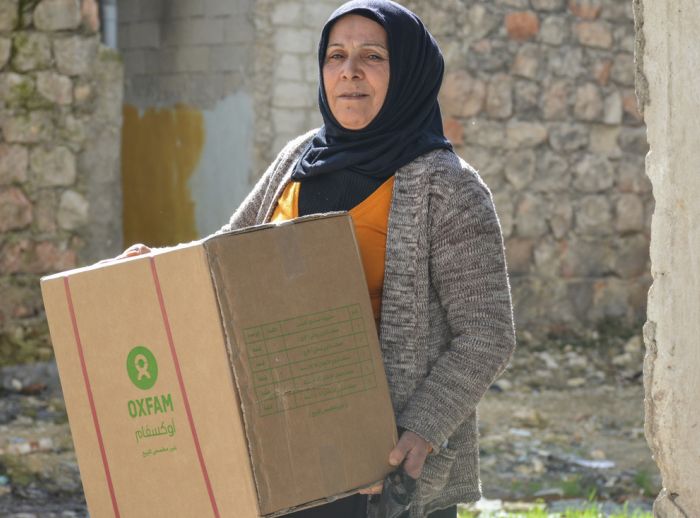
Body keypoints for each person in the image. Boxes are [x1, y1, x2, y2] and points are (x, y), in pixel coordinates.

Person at [119, 1, 516, 516]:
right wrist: (160, 263)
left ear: (410, 72)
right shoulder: (298, 160)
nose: (349, 71)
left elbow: (487, 332)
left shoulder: (448, 188)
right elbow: (227, 256)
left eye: (372, 55)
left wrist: (422, 430)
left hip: (384, 463)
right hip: (283, 439)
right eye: (335, 55)